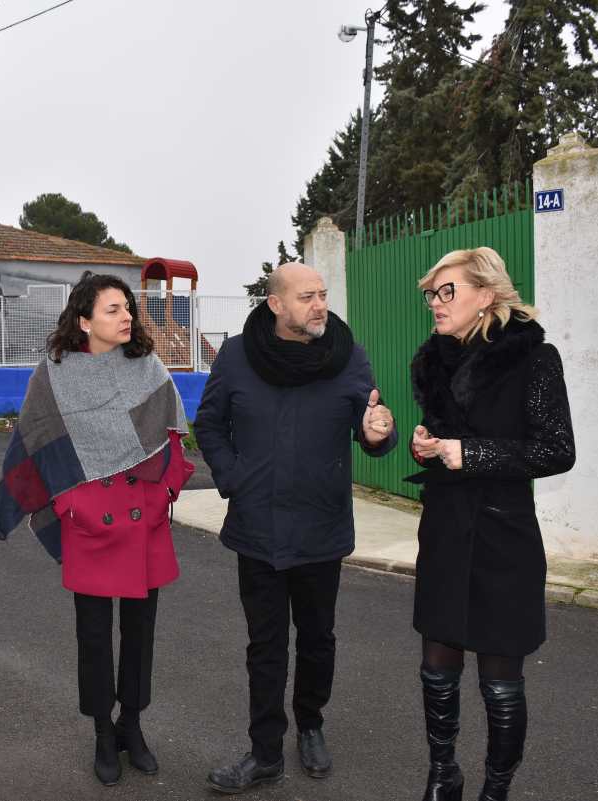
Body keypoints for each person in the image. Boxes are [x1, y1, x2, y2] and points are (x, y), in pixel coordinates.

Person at [194, 262, 397, 794]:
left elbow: (370, 425)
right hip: (257, 527)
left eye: (323, 295)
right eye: (307, 296)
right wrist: (234, 477)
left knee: (316, 638)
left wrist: (379, 433)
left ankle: (310, 724)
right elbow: (209, 423)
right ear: (276, 305)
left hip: (320, 526)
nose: (320, 305)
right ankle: (265, 753)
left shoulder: (347, 357)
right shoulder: (238, 355)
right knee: (264, 645)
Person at [0, 273, 194, 787]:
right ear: (84, 321)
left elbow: (172, 439)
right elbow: (35, 441)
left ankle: (133, 725)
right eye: (112, 310)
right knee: (94, 635)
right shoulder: (53, 375)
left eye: (127, 308)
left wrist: (165, 490)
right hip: (90, 519)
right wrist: (71, 499)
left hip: (143, 517)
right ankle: (103, 730)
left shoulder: (149, 368)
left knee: (141, 632)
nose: (126, 317)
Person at [407, 247, 575, 801]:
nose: (435, 302)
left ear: (487, 295)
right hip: (445, 530)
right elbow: (445, 435)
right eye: (432, 293)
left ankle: (495, 789)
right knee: (437, 666)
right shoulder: (433, 361)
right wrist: (427, 445)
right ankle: (442, 773)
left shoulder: (534, 358)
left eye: (447, 291)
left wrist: (470, 454)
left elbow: (556, 450)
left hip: (504, 539)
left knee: (500, 683)